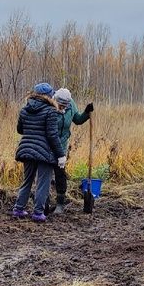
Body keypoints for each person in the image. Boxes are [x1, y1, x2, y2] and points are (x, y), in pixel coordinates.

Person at [12, 82, 64, 222]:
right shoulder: (51, 111)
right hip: (44, 152)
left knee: (27, 180)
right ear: (49, 96)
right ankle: (38, 213)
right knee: (43, 183)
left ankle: (18, 209)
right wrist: (61, 155)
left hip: (26, 149)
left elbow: (20, 130)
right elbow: (52, 135)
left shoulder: (24, 110)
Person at [50, 87, 93, 215]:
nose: (63, 107)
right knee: (45, 175)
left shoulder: (71, 104)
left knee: (60, 175)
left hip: (62, 146)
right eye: (60, 105)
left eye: (65, 105)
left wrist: (86, 113)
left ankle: (60, 204)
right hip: (48, 145)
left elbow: (78, 120)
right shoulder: (49, 106)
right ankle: (43, 203)